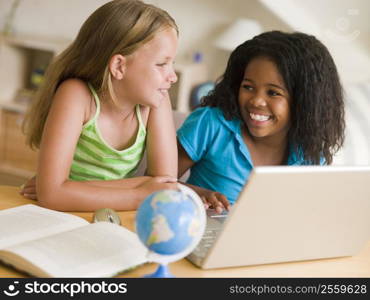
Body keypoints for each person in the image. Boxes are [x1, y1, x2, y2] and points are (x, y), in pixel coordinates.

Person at [20, 0, 179, 211]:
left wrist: (65, 189)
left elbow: (166, 184)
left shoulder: (156, 102)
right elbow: (51, 197)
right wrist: (138, 195)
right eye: (161, 64)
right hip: (60, 216)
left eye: (173, 63)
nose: (173, 77)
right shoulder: (76, 95)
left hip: (110, 215)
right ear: (119, 66)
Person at [177, 31, 345, 213]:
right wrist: (196, 194)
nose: (256, 101)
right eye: (248, 87)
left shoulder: (311, 156)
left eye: (273, 92)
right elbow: (155, 183)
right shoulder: (211, 124)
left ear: (304, 102)